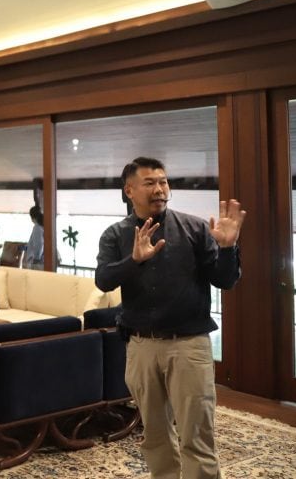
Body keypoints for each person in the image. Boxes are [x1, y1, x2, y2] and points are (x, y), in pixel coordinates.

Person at [96, 156, 245, 479]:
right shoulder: (115, 235)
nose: (159, 189)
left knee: (197, 435)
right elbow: (103, 280)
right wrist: (133, 260)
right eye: (149, 183)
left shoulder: (194, 228)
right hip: (141, 346)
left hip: (189, 346)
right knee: (155, 435)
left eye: (163, 182)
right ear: (129, 190)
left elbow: (225, 280)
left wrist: (228, 248)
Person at [24, 205, 45, 270]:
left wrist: (36, 259)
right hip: (40, 261)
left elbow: (39, 244)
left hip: (36, 262)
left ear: (32, 217)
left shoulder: (37, 228)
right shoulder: (42, 226)